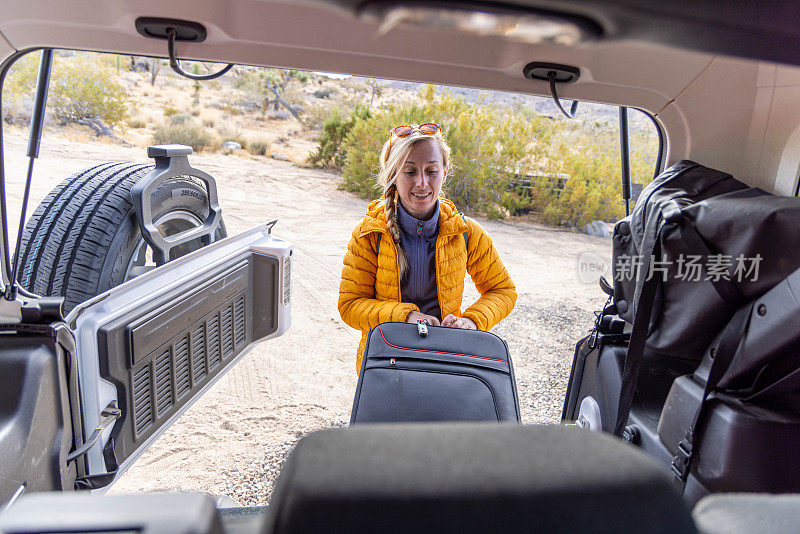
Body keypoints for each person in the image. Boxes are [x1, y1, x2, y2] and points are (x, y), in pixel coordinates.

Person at [338, 123, 517, 374]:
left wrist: (472, 320)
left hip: (445, 360)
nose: (422, 183)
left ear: (444, 172)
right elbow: (350, 306)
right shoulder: (370, 233)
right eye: (410, 171)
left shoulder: (467, 233)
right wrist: (406, 316)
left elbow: (503, 290)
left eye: (431, 170)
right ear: (393, 175)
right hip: (385, 361)